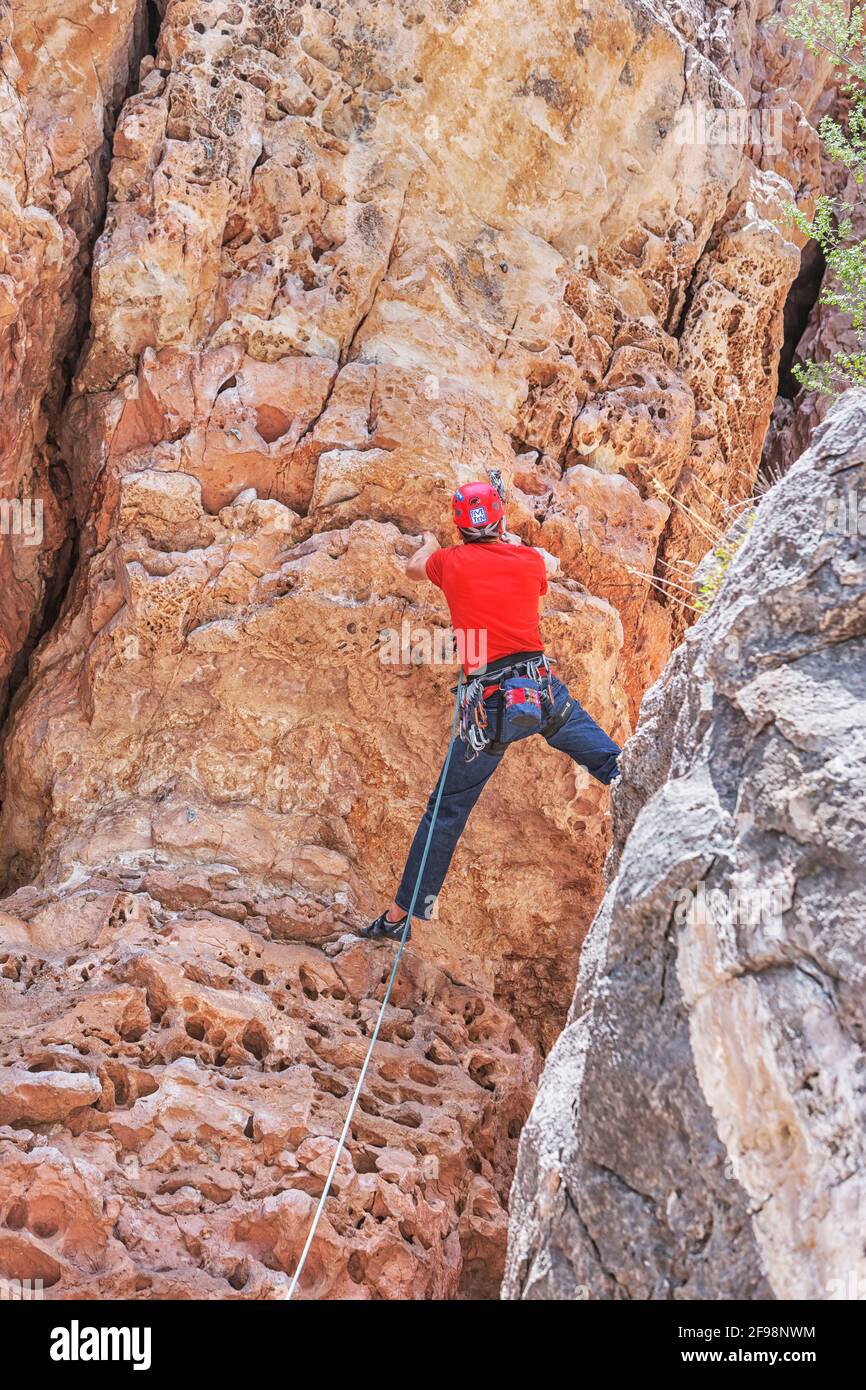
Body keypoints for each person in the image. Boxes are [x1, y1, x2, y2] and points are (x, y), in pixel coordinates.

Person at [361, 480, 622, 941]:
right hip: (542, 694)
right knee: (611, 763)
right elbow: (536, 579)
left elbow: (413, 568)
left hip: (487, 713)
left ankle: (401, 917)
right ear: (501, 519)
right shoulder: (528, 561)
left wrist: (430, 543)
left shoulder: (450, 563)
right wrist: (510, 544)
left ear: (459, 528)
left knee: (446, 810)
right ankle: (649, 791)